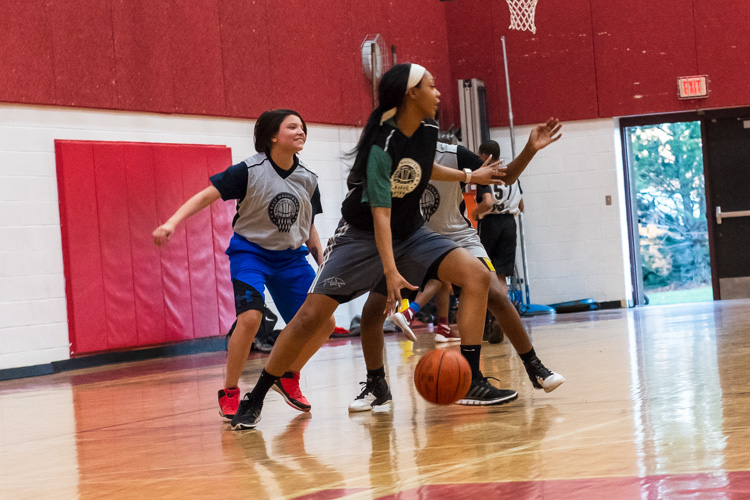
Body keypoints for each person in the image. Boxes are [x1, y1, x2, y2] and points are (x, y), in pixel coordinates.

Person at [230, 62, 512, 430]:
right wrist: (391, 271)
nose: (437, 91)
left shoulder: (427, 126)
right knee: (310, 318)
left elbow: (423, 168)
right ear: (411, 94)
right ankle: (257, 395)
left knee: (476, 276)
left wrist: (469, 176)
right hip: (360, 234)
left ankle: (471, 378)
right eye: (429, 85)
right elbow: (380, 216)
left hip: (411, 231)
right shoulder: (381, 145)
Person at [361, 127, 565, 413]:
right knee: (372, 311)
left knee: (496, 294)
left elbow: (505, 177)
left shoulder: (454, 155)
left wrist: (530, 148)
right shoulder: (391, 158)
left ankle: (534, 367)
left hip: (456, 236)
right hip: (410, 241)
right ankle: (375, 384)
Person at [152, 109, 328, 422]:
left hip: (291, 258)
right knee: (250, 318)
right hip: (252, 253)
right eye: (292, 127)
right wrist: (171, 223)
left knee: (324, 322)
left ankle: (289, 374)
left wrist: (322, 261)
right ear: (273, 136)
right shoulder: (249, 170)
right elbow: (205, 197)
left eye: (303, 127)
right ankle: (230, 390)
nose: (301, 131)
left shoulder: (308, 179)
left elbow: (308, 225)